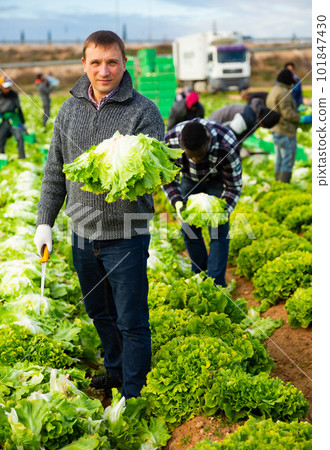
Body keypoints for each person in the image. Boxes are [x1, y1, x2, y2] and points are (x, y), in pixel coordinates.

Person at [33, 30, 165, 399]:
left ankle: (134, 392)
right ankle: (115, 369)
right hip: (81, 233)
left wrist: (113, 157)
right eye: (96, 62)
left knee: (131, 319)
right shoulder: (68, 109)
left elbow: (148, 177)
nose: (104, 70)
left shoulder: (144, 111)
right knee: (100, 313)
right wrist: (45, 220)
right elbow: (54, 172)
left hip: (126, 233)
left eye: (112, 62)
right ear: (84, 65)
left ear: (125, 64)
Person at [162, 118, 242, 287]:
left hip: (217, 180)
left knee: (219, 230)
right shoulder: (171, 142)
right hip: (189, 180)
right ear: (182, 145)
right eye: (191, 155)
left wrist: (223, 210)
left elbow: (233, 186)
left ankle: (215, 282)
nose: (196, 159)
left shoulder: (226, 144)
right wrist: (176, 200)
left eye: (200, 154)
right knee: (188, 228)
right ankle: (200, 273)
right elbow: (167, 178)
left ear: (208, 140)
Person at [266, 68, 311, 183]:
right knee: (287, 161)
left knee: (280, 159)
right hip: (286, 131)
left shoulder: (274, 90)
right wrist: (302, 118)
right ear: (287, 80)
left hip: (276, 130)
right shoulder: (283, 93)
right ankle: (283, 184)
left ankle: (277, 183)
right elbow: (287, 113)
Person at [208, 98, 280, 151]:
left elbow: (238, 137)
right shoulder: (246, 118)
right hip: (212, 129)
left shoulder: (255, 115)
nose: (262, 127)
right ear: (263, 122)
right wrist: (238, 151)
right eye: (264, 126)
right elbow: (227, 137)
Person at [0, 76, 26, 159]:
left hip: (13, 118)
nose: (8, 89)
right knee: (1, 138)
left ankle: (22, 158)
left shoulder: (14, 94)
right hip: (3, 119)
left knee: (19, 137)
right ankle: (2, 157)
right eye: (5, 87)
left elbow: (19, 109)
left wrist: (23, 123)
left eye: (9, 87)